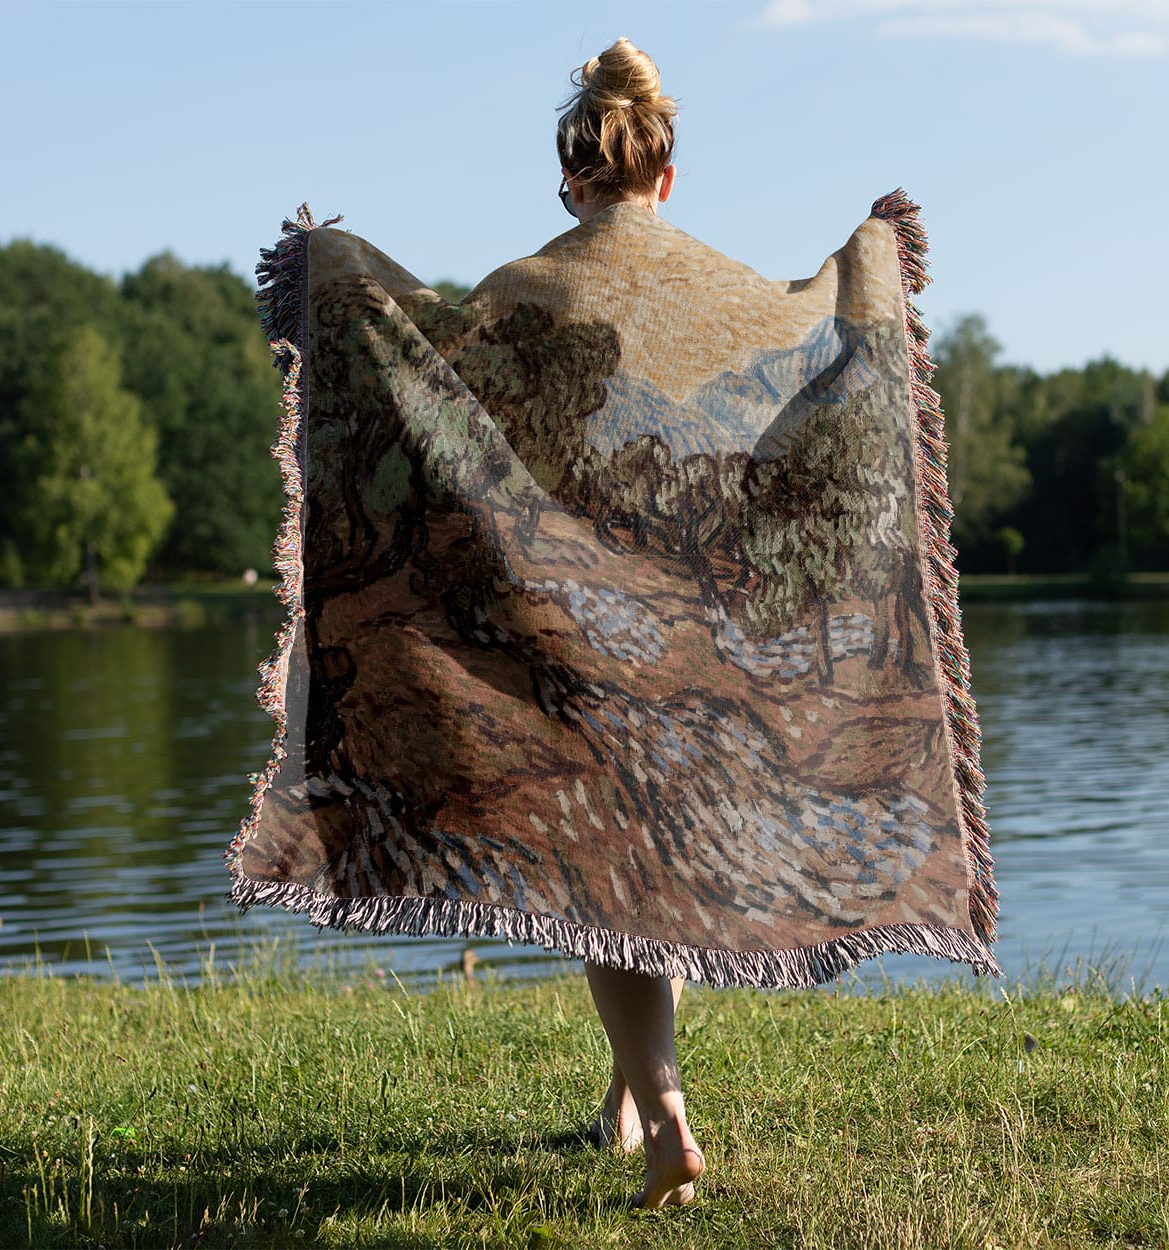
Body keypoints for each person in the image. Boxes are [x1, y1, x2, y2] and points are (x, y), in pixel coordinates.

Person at [553, 36, 705, 1212]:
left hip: (577, 618)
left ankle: (665, 1118)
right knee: (642, 872)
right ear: (663, 176)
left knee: (602, 884)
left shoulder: (534, 284)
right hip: (691, 622)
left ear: (571, 181)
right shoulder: (711, 290)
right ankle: (621, 1099)